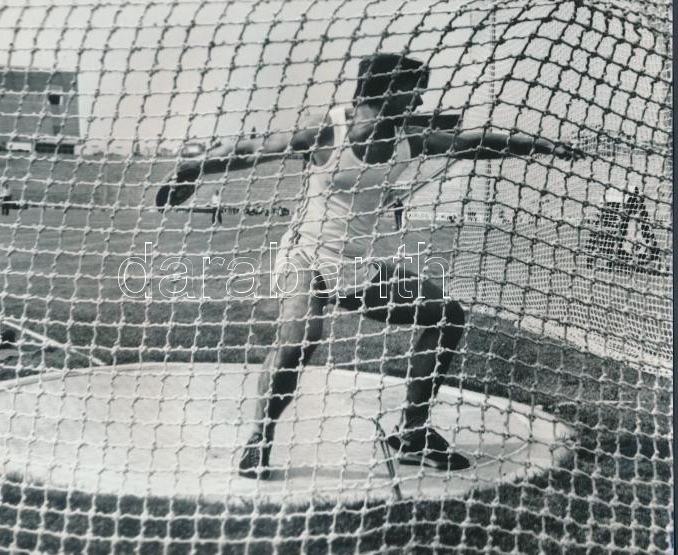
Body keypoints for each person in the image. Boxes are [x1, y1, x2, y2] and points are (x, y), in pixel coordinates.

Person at [158, 52, 583, 478]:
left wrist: (542, 146)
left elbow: (474, 144)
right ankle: (260, 438)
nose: (420, 101)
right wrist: (193, 169)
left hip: (354, 269)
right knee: (300, 339)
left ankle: (413, 435)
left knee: (446, 315)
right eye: (414, 91)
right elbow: (251, 150)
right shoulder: (327, 131)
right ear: (389, 89)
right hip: (304, 256)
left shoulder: (410, 139)